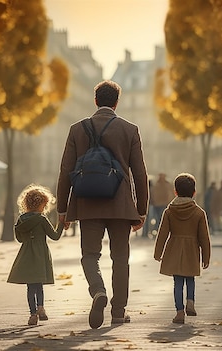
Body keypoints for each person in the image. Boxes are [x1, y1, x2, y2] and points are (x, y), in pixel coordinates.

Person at [56, 80, 148, 329]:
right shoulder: (130, 130)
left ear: (95, 100)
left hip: (87, 202)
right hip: (120, 205)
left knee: (89, 255)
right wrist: (141, 210)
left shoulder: (77, 129)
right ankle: (118, 312)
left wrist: (62, 209)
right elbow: (140, 174)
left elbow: (65, 170)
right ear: (116, 102)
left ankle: (98, 290)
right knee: (120, 258)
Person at [153, 173, 211, 324]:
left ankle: (179, 312)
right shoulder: (199, 213)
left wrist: (158, 252)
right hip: (192, 250)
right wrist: (206, 257)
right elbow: (204, 238)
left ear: (175, 192)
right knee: (190, 278)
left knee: (178, 282)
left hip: (174, 249)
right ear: (194, 192)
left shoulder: (169, 211)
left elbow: (162, 234)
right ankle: (190, 302)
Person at [7, 184, 65, 326]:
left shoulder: (21, 220)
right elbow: (55, 236)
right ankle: (41, 307)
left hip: (26, 254)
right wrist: (61, 223)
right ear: (42, 204)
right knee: (39, 284)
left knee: (30, 286)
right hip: (40, 254)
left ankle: (32, 314)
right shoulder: (42, 219)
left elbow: (19, 239)